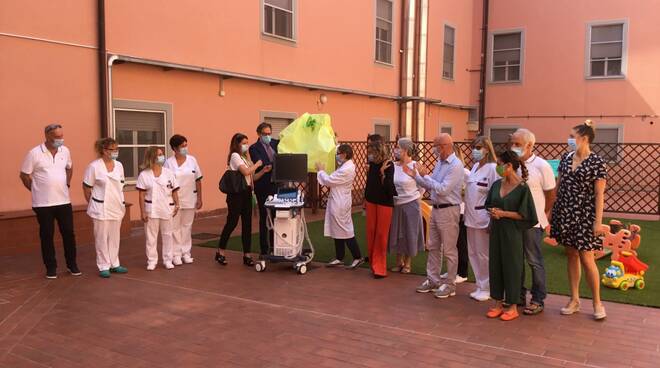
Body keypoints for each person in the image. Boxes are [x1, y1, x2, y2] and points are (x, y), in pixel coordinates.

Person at [550, 120, 607, 320]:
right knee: (571, 254)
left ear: (584, 139)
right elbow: (558, 187)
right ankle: (574, 299)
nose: (569, 140)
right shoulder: (565, 159)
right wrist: (550, 213)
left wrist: (597, 222)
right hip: (565, 213)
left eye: (572, 136)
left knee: (587, 257)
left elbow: (600, 195)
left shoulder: (597, 162)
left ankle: (597, 303)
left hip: (585, 216)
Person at [405, 133, 464, 299]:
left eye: (435, 146)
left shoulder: (455, 165)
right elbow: (433, 185)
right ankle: (433, 279)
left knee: (450, 250)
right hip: (436, 208)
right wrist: (418, 176)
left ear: (444, 146)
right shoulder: (440, 162)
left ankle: (450, 284)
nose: (433, 149)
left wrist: (423, 177)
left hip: (449, 209)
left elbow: (443, 189)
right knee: (433, 246)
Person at [20, 123, 80, 279]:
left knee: (68, 233)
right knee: (47, 235)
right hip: (43, 204)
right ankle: (51, 267)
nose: (61, 139)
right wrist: (35, 190)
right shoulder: (34, 153)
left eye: (62, 136)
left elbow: (69, 167)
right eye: (57, 137)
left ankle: (72, 265)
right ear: (47, 136)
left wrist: (67, 183)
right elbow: (24, 175)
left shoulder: (65, 151)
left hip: (63, 201)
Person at [485, 150, 537, 321]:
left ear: (509, 166)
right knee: (496, 265)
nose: (497, 167)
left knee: (513, 267)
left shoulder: (522, 188)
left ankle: (513, 305)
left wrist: (504, 214)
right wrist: (492, 211)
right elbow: (489, 204)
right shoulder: (496, 185)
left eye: (499, 164)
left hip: (513, 232)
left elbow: (526, 215)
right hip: (497, 231)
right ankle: (498, 303)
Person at [510, 128, 556, 315]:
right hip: (514, 220)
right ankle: (518, 296)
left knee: (534, 260)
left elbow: (551, 195)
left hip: (532, 223)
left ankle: (538, 299)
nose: (513, 147)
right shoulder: (513, 165)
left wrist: (541, 214)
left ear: (529, 145)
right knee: (516, 260)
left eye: (517, 144)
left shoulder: (542, 166)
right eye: (512, 143)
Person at [216, 133, 265, 266]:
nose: (246, 145)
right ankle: (221, 251)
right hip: (236, 194)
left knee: (247, 224)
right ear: (237, 144)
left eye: (247, 143)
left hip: (247, 192)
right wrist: (258, 164)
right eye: (243, 143)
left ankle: (247, 254)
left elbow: (252, 177)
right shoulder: (235, 156)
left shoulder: (244, 157)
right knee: (232, 222)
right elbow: (245, 172)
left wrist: (262, 171)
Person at [82, 138, 128, 278]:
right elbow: (86, 187)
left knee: (114, 237)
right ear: (104, 150)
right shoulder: (94, 167)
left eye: (117, 149)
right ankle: (103, 265)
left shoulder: (119, 165)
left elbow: (121, 185)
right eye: (113, 149)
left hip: (116, 206)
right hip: (100, 207)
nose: (116, 152)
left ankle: (115, 263)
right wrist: (92, 202)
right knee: (101, 237)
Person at [316, 144, 364, 269]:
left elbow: (329, 180)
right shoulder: (344, 166)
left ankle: (357, 256)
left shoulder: (346, 169)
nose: (336, 155)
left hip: (340, 202)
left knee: (345, 229)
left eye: (338, 153)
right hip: (339, 200)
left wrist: (320, 170)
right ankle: (339, 257)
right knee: (337, 228)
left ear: (344, 154)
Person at [464, 136, 499, 302]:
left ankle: (488, 287)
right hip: (470, 217)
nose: (475, 151)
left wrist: (492, 218)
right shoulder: (475, 166)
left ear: (486, 149)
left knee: (484, 254)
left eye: (478, 147)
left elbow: (496, 194)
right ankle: (479, 285)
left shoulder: (493, 168)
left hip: (483, 217)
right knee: (473, 253)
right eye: (474, 147)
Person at [136, 147, 181, 270]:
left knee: (168, 235)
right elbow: (141, 195)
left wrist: (177, 204)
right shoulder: (144, 175)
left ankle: (168, 259)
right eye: (159, 155)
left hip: (167, 208)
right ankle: (152, 261)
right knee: (151, 236)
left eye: (162, 154)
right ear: (152, 158)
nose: (162, 157)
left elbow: (174, 191)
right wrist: (142, 211)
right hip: (151, 209)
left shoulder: (168, 173)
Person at [164, 134, 203, 265]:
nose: (185, 148)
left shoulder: (192, 160)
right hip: (174, 200)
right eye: (182, 146)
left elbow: (198, 179)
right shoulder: (168, 163)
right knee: (174, 227)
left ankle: (186, 253)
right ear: (174, 148)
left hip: (190, 198)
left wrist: (200, 198)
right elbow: (166, 182)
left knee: (187, 226)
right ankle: (176, 254)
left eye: (186, 145)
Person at [388, 137, 424, 275]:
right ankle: (399, 262)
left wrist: (417, 198)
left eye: (398, 147)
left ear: (406, 150)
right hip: (396, 204)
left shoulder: (415, 165)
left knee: (410, 233)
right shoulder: (393, 165)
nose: (395, 150)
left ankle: (408, 263)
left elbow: (423, 184)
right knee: (397, 233)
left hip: (411, 204)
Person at [364, 134, 396, 278]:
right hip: (371, 201)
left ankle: (380, 267)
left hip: (384, 203)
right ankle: (373, 263)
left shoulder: (389, 164)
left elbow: (390, 188)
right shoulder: (372, 164)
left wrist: (382, 173)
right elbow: (370, 185)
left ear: (377, 149)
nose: (368, 152)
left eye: (370, 149)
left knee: (381, 235)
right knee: (371, 232)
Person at [248, 122, 278, 257]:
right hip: (263, 186)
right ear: (259, 134)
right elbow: (261, 162)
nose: (268, 136)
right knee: (264, 217)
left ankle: (274, 246)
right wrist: (273, 164)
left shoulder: (275, 143)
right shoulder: (254, 148)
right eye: (265, 134)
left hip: (275, 185)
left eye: (269, 134)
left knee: (275, 217)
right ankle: (264, 249)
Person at [441, 147, 469, 284]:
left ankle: (462, 272)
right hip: (451, 210)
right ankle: (453, 270)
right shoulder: (447, 170)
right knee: (451, 244)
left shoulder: (465, 172)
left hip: (461, 210)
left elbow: (471, 190)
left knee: (461, 243)